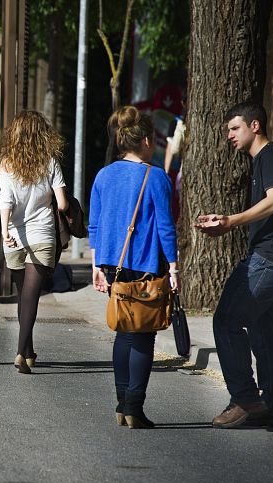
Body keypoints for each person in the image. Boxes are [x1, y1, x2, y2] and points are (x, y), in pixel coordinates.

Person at [195, 102, 273, 430]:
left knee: (226, 320)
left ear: (255, 126)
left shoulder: (272, 156)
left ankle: (246, 399)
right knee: (266, 330)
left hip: (269, 260)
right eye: (227, 130)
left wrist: (230, 221)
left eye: (234, 128)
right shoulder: (265, 161)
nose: (229, 135)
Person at [89, 105, 179, 429]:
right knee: (143, 336)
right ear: (144, 140)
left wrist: (97, 264)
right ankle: (134, 407)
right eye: (153, 140)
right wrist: (174, 268)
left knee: (123, 331)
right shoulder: (155, 177)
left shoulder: (103, 175)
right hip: (145, 263)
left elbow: (95, 224)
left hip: (112, 263)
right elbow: (166, 227)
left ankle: (121, 403)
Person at [0, 110, 68, 374]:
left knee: (22, 295)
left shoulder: (7, 163)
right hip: (42, 235)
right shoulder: (50, 163)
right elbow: (61, 204)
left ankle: (27, 352)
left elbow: (6, 200)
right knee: (31, 296)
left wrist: (4, 231)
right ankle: (21, 351)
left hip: (13, 236)